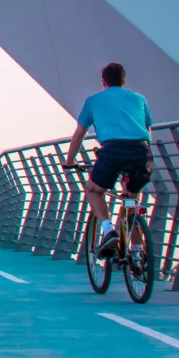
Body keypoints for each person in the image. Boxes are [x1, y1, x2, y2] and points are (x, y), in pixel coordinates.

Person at [61, 62, 153, 258]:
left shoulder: (94, 101)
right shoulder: (139, 99)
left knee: (93, 189)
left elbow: (78, 135)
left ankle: (108, 230)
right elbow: (148, 129)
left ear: (103, 81)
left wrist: (69, 161)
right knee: (131, 200)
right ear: (123, 80)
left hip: (113, 151)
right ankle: (137, 254)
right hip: (141, 152)